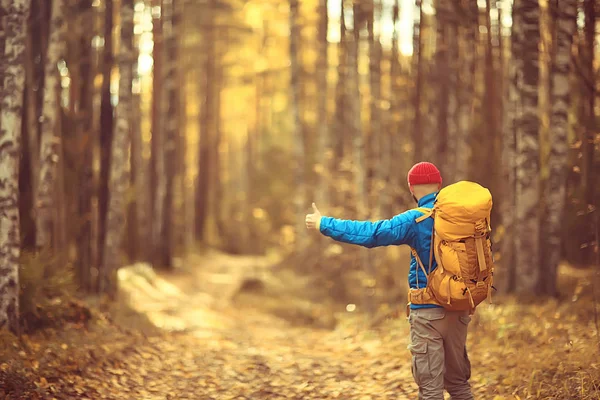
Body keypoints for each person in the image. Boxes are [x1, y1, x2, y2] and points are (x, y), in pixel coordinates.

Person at [305, 162, 474, 400]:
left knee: (431, 390)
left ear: (411, 188)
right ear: (439, 185)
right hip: (460, 308)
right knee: (459, 384)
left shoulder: (414, 220)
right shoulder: (464, 216)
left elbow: (372, 233)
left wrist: (324, 223)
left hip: (428, 314)